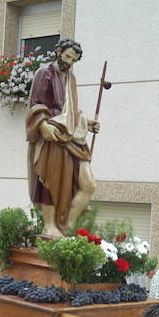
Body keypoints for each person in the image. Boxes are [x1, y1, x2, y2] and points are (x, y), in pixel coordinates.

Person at [26, 37, 101, 237]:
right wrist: (42, 124)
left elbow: (71, 112)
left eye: (74, 60)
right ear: (59, 52)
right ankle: (49, 226)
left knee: (88, 184)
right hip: (52, 134)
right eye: (67, 56)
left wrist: (86, 122)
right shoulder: (45, 73)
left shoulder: (70, 79)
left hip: (72, 137)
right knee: (50, 177)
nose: (69, 62)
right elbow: (35, 103)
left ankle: (66, 226)